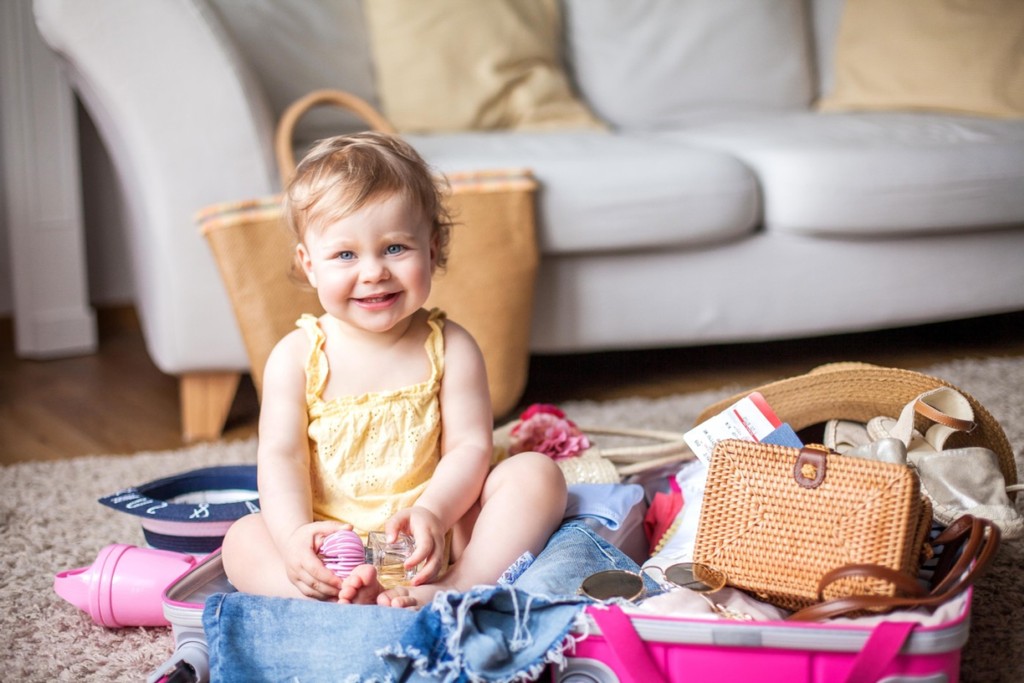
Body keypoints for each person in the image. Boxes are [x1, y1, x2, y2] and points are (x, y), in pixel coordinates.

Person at [221, 132, 567, 608]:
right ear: (308, 265)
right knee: (241, 539)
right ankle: (328, 596)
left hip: (430, 539)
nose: (373, 272)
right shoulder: (296, 356)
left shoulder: (451, 347)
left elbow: (468, 447)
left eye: (395, 248)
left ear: (433, 246)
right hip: (332, 545)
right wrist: (295, 537)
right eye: (345, 255)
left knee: (537, 475)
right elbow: (283, 458)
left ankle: (457, 586)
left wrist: (433, 513)